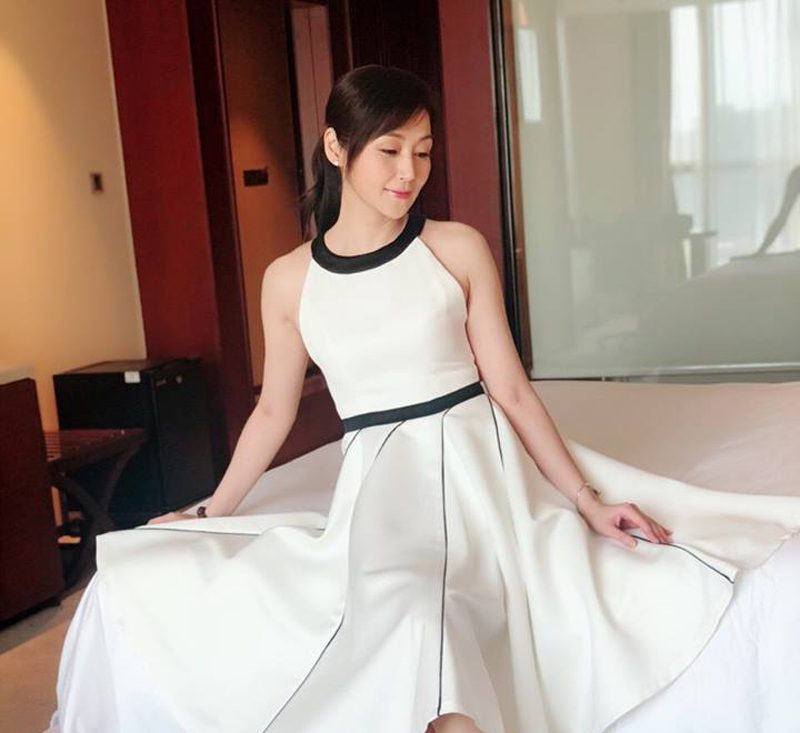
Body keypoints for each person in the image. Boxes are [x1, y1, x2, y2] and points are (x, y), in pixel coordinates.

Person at [49, 65, 800, 733]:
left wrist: (585, 499)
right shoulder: (289, 280)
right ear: (337, 147)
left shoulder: (455, 247)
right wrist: (212, 509)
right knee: (405, 611)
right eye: (390, 150)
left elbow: (510, 387)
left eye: (423, 151)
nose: (409, 171)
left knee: (451, 613)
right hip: (383, 489)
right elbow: (274, 411)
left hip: (484, 476)